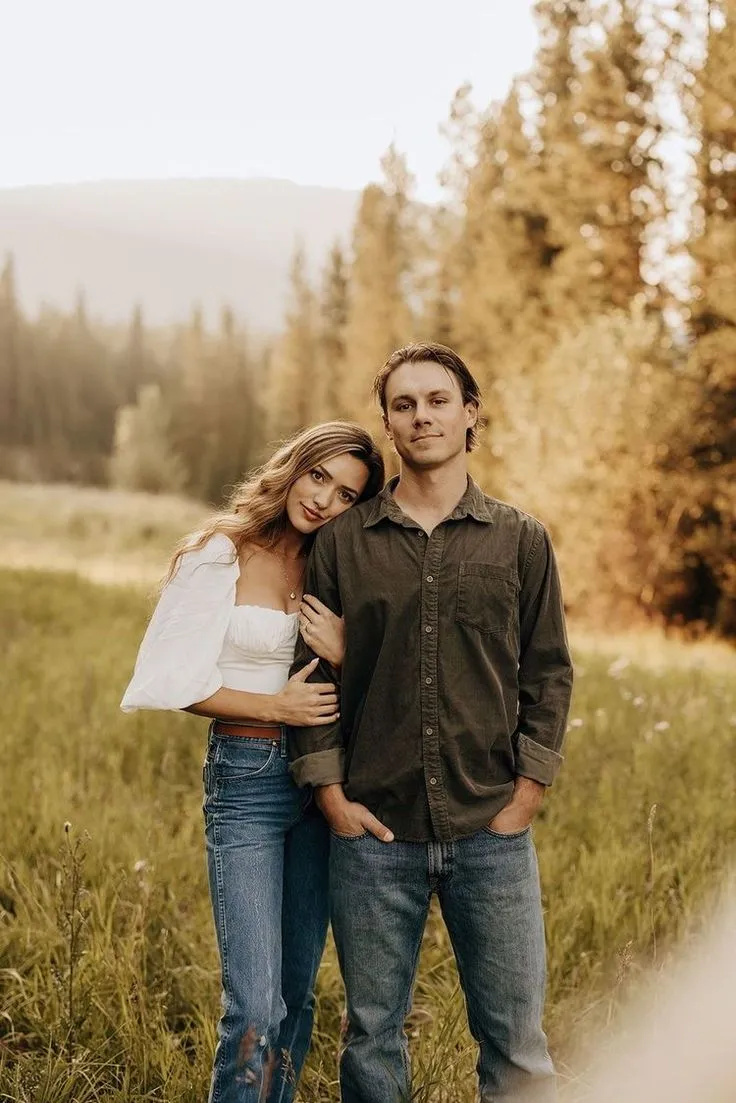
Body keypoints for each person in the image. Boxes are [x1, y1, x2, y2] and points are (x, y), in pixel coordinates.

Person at [290, 344, 574, 1103]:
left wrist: (527, 792)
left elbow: (547, 671)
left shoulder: (520, 539)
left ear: (470, 412)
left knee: (517, 1045)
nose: (422, 416)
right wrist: (330, 794)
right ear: (387, 423)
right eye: (404, 403)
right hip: (374, 830)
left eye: (438, 399)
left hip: (492, 829)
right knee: (372, 1037)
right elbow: (310, 673)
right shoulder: (344, 543)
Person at [120, 422, 385, 1103]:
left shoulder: (335, 566)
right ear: (293, 468)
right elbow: (169, 679)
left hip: (325, 779)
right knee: (255, 1004)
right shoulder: (221, 551)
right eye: (319, 476)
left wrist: (352, 654)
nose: (326, 500)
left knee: (297, 994)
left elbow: (375, 688)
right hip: (248, 773)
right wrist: (277, 709)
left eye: (348, 494)